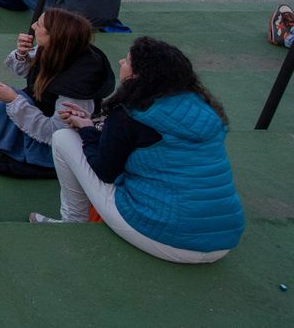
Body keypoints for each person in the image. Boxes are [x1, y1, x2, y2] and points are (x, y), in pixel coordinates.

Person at [34, 37, 243, 264]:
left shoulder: (130, 113)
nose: (122, 61)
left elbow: (105, 170)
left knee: (63, 138)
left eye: (128, 61)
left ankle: (72, 222)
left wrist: (86, 131)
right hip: (223, 241)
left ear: (138, 76)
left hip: (166, 238)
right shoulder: (202, 107)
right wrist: (92, 126)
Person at [0, 8, 114, 177]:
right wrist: (22, 54)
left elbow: (54, 134)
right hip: (34, 108)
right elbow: (28, 73)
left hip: (46, 144)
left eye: (39, 24)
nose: (33, 26)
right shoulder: (62, 50)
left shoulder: (77, 88)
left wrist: (13, 100)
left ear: (53, 36)